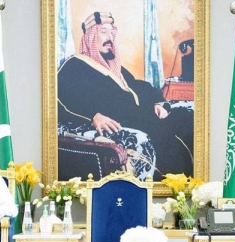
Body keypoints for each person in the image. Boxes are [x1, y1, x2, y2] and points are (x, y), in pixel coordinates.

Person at [57, 11, 194, 180]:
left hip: (145, 117)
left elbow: (139, 87)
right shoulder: (75, 65)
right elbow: (62, 98)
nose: (110, 37)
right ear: (90, 37)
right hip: (128, 124)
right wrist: (92, 116)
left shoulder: (115, 68)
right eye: (103, 32)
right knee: (173, 139)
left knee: (188, 119)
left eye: (112, 32)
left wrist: (158, 103)